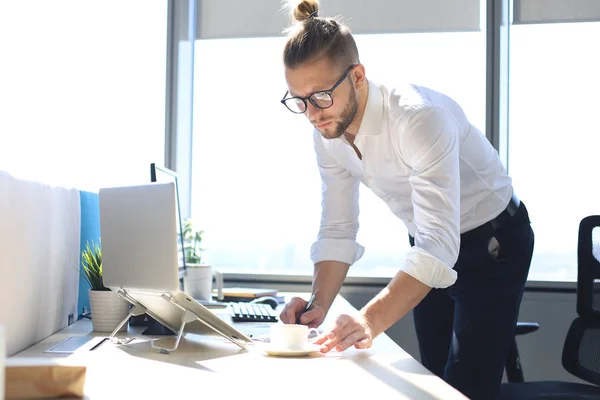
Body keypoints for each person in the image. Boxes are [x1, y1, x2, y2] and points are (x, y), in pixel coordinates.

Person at [277, 1, 535, 399]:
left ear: (358, 76)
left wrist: (367, 321)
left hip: (494, 243)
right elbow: (338, 228)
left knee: (464, 386)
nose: (312, 113)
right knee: (428, 379)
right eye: (299, 100)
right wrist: (315, 309)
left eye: (322, 95)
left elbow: (439, 245)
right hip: (428, 244)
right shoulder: (327, 134)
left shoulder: (418, 117)